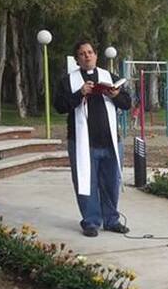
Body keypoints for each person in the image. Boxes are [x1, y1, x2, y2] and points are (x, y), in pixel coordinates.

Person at [53, 40, 131, 237]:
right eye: (82, 54)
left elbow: (127, 103)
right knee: (85, 182)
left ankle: (111, 220)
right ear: (77, 59)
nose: (87, 56)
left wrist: (115, 95)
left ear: (96, 55)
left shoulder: (109, 77)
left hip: (111, 141)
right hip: (82, 142)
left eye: (90, 52)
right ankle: (91, 221)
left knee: (111, 182)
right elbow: (60, 106)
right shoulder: (67, 81)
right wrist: (80, 93)